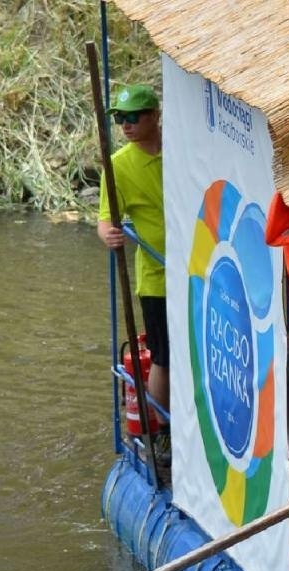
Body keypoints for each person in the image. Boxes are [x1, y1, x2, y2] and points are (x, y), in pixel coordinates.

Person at [97, 83, 168, 410]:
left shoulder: (181, 149)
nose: (125, 124)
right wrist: (108, 234)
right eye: (119, 118)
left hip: (199, 270)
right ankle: (164, 427)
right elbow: (105, 219)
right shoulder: (118, 166)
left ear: (154, 115)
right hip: (156, 278)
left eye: (133, 116)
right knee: (162, 355)